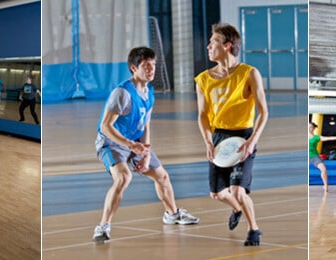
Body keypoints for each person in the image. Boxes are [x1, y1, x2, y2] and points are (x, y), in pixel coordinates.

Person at [92, 47, 200, 243]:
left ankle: (172, 214)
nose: (151, 69)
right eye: (146, 66)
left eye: (153, 65)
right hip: (111, 143)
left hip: (134, 142)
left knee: (163, 176)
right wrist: (130, 145)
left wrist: (147, 153)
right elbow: (105, 127)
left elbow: (145, 123)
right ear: (134, 68)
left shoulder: (148, 91)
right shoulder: (122, 93)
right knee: (124, 177)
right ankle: (103, 226)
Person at [195, 23, 268, 246]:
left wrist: (251, 142)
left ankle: (253, 230)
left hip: (243, 138)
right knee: (216, 194)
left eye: (213, 41)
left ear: (227, 46)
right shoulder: (203, 79)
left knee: (237, 190)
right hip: (218, 138)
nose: (208, 46)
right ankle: (237, 210)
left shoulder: (249, 73)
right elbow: (202, 115)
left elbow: (263, 112)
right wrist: (208, 141)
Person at [308, 122, 336, 193]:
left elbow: (328, 138)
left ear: (313, 128)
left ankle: (325, 185)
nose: (309, 128)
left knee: (324, 169)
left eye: (311, 127)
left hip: (313, 156)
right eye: (308, 127)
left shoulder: (316, 137)